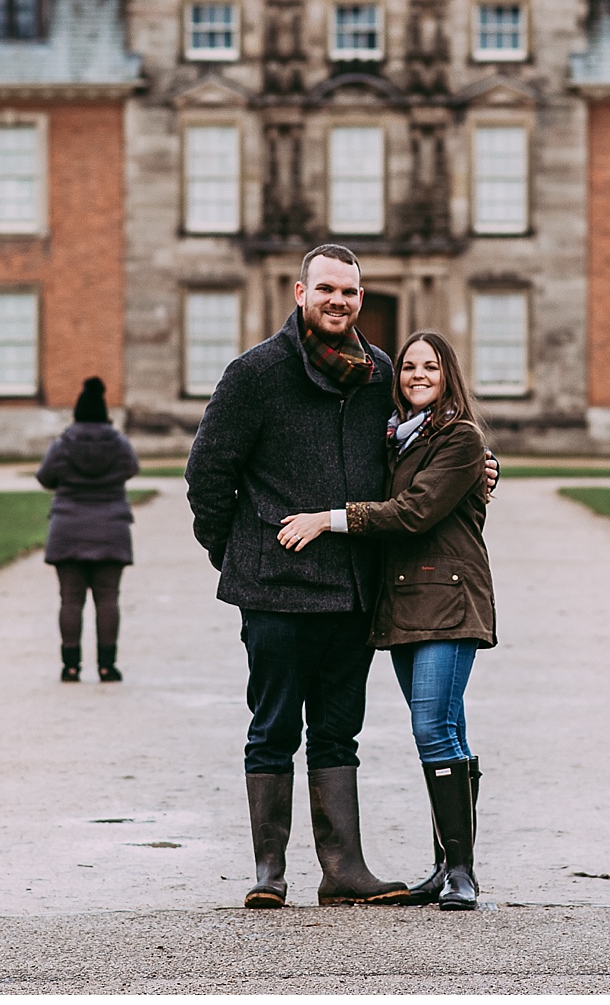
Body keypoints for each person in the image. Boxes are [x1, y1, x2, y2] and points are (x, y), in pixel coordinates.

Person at [186, 244, 498, 910]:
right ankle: (270, 870)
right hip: (274, 587)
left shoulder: (378, 371)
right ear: (300, 291)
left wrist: (481, 464)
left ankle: (343, 867)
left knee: (337, 731)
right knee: (272, 726)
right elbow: (207, 472)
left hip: (351, 590)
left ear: (361, 298)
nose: (339, 301)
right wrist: (236, 553)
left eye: (350, 292)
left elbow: (421, 443)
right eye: (326, 288)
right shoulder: (255, 373)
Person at [278, 329, 496, 911]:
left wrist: (329, 519)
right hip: (402, 602)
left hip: (449, 600)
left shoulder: (461, 437)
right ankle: (450, 867)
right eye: (407, 368)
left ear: (449, 374)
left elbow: (416, 510)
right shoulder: (397, 440)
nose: (417, 375)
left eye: (430, 366)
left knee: (433, 728)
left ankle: (462, 875)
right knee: (448, 728)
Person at [37, 377, 138, 683]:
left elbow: (45, 477)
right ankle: (107, 666)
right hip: (111, 528)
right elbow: (132, 469)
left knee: (70, 600)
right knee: (108, 599)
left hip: (68, 526)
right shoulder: (119, 443)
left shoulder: (63, 443)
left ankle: (70, 666)